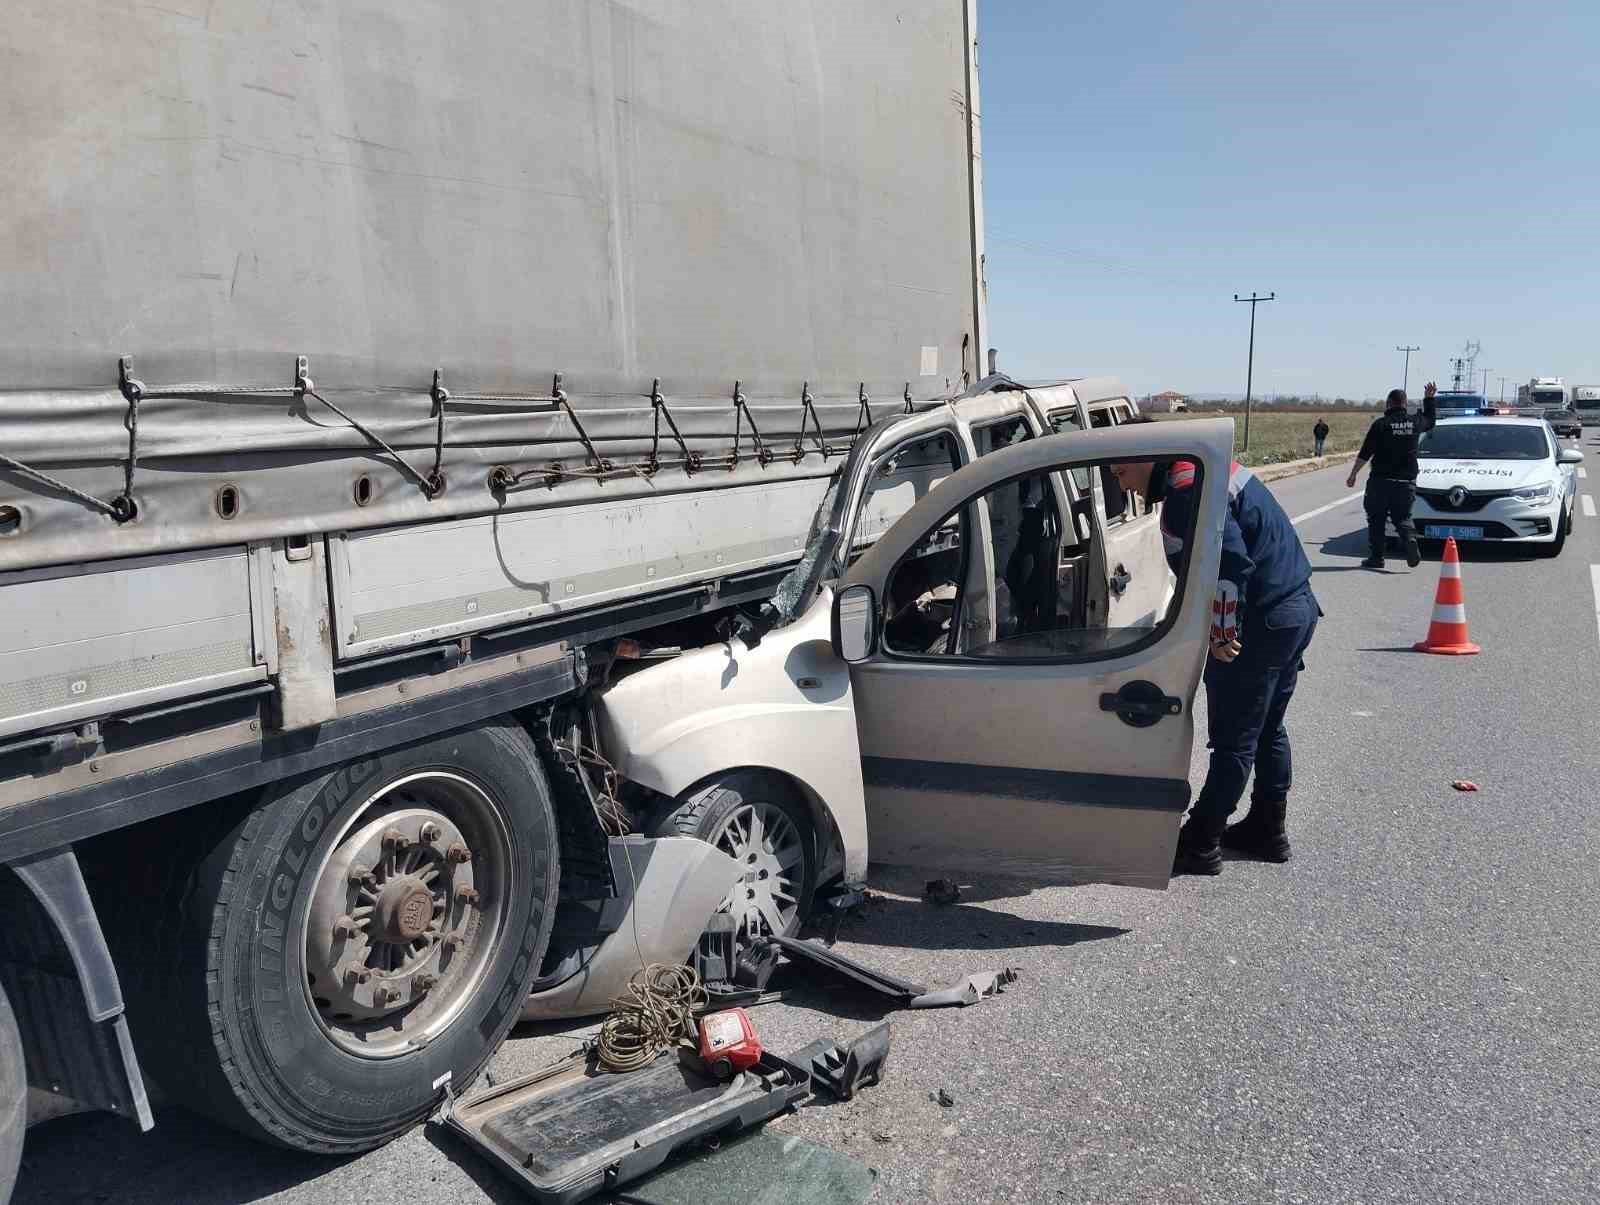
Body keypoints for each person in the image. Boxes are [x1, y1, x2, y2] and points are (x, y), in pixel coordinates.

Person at [1109, 437, 1319, 876]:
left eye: (1121, 469)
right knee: (1267, 728)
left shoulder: (1187, 490)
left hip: (1259, 621)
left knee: (1234, 739)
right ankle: (1267, 828)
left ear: (1145, 456)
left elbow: (1231, 562)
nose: (1119, 480)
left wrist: (1223, 632)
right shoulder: (1202, 471)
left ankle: (1201, 842)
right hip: (1293, 610)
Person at [1346, 383, 1438, 569]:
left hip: (1380, 482)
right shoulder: (1414, 422)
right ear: (1405, 404)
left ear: (1388, 403)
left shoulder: (1381, 424)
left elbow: (1366, 452)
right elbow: (1430, 420)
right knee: (1402, 517)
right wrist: (1429, 399)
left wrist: (1353, 474)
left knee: (1376, 519)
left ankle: (1377, 557)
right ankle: (1409, 539)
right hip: (1405, 482)